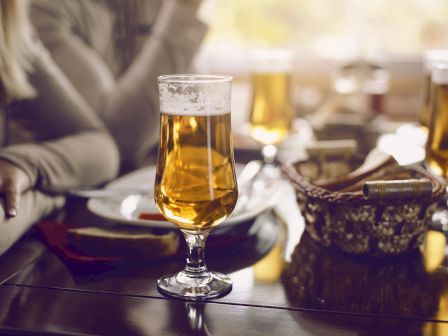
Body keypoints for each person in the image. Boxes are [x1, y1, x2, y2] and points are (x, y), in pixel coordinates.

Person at [0, 0, 120, 255]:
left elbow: (102, 148)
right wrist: (47, 196)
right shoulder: (48, 9)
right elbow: (127, 132)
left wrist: (22, 165)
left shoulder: (10, 30)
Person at [30, 0, 208, 171]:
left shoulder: (144, 5)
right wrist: (184, 7)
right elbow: (118, 139)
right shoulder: (41, 9)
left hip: (147, 184)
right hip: (78, 194)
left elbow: (191, 110)